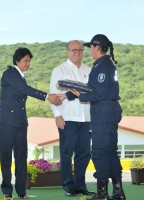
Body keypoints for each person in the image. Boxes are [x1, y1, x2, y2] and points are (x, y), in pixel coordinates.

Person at [60, 34, 126, 200]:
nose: (89, 50)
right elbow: (96, 89)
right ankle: (118, 192)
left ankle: (102, 193)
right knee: (110, 151)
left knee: (99, 152)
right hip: (108, 111)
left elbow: (100, 93)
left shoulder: (102, 66)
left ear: (97, 47)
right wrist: (78, 92)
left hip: (103, 113)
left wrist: (80, 94)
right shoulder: (104, 65)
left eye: (90, 47)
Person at [0, 47, 61, 200]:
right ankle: (7, 192)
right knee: (6, 158)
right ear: (17, 60)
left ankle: (21, 192)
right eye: (26, 60)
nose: (28, 63)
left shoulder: (20, 76)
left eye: (29, 61)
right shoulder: (10, 73)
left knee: (21, 158)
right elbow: (25, 89)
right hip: (5, 123)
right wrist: (47, 96)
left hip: (19, 123)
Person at [50, 40, 95, 197]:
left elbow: (90, 92)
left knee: (84, 154)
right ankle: (68, 186)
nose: (77, 53)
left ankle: (80, 186)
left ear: (83, 52)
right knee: (67, 154)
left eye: (80, 50)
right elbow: (54, 96)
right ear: (67, 51)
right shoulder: (59, 71)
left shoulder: (89, 71)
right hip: (68, 118)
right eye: (73, 50)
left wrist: (70, 93)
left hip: (86, 119)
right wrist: (57, 115)